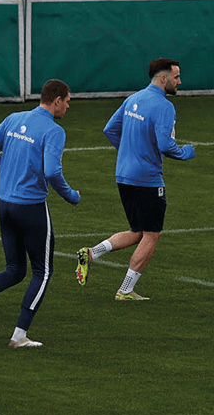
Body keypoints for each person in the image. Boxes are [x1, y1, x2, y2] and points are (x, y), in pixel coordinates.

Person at [0, 79, 81, 349]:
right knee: (43, 271)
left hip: (5, 204)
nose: (68, 106)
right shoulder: (54, 130)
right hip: (31, 206)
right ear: (57, 100)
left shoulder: (14, 118)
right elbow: (52, 172)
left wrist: (10, 173)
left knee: (14, 269)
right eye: (68, 101)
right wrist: (70, 195)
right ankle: (19, 335)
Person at [77, 58, 195, 301]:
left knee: (138, 231)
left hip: (124, 175)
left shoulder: (133, 98)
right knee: (152, 234)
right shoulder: (164, 106)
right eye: (176, 77)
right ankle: (126, 290)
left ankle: (91, 253)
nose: (179, 82)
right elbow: (165, 145)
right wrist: (186, 153)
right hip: (147, 179)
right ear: (163, 78)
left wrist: (128, 152)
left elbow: (110, 129)